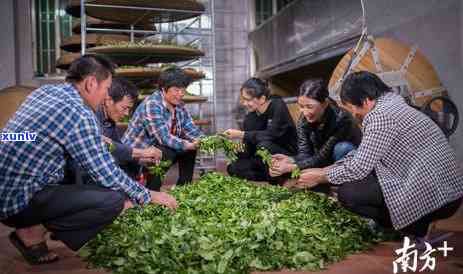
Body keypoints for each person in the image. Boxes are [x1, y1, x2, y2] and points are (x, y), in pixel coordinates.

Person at [0, 55, 177, 265]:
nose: (105, 97)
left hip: (7, 190)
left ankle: (31, 230)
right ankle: (36, 230)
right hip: (18, 201)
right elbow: (104, 171)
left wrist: (135, 153)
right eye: (106, 88)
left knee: (80, 171)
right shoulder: (79, 114)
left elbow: (18, 134)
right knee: (112, 200)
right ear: (91, 83)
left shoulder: (45, 92)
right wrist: (147, 195)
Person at [293, 71, 463, 241]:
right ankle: (410, 222)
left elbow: (359, 167)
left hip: (438, 197)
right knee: (355, 176)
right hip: (449, 192)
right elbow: (361, 155)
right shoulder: (394, 104)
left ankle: (413, 225)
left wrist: (321, 176)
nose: (354, 113)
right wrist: (323, 170)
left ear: (366, 101)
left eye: (353, 107)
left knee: (349, 193)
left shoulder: (380, 116)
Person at [122, 66, 203, 191]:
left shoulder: (179, 105)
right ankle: (152, 191)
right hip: (137, 156)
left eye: (183, 90)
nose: (181, 94)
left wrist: (203, 140)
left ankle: (184, 189)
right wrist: (188, 144)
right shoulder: (152, 104)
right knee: (166, 150)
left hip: (158, 151)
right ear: (164, 89)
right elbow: (163, 138)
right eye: (176, 90)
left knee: (189, 149)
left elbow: (190, 128)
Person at [68, 77, 163, 184]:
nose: (127, 114)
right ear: (108, 101)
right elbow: (104, 143)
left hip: (92, 166)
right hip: (77, 171)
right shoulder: (90, 114)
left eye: (129, 109)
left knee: (131, 163)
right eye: (124, 108)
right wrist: (141, 152)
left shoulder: (109, 121)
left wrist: (140, 158)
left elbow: (117, 146)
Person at [269, 79, 361, 182]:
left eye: (309, 107)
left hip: (351, 161)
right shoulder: (304, 120)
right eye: (301, 106)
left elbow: (322, 157)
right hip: (326, 162)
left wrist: (290, 167)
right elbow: (305, 153)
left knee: (342, 148)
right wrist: (289, 160)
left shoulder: (342, 119)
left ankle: (342, 184)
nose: (305, 112)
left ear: (325, 103)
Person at [224, 77, 297, 182]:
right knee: (233, 167)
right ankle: (270, 176)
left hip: (285, 155)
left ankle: (281, 180)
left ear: (262, 99)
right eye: (243, 99)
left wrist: (241, 134)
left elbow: (271, 134)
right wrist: (235, 151)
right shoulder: (249, 118)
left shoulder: (277, 105)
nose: (244, 103)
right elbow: (248, 149)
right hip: (262, 160)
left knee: (264, 145)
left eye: (247, 100)